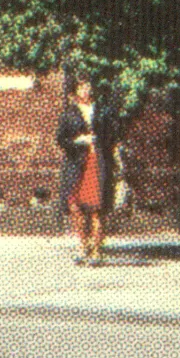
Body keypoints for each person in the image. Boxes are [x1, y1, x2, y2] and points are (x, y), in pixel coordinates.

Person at [56, 74, 117, 266]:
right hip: (77, 164)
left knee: (97, 208)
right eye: (82, 88)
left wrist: (102, 142)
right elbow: (61, 140)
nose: (86, 91)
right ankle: (83, 247)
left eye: (88, 87)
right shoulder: (69, 114)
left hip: (97, 162)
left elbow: (113, 135)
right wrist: (77, 142)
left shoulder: (103, 112)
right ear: (75, 92)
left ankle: (97, 250)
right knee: (76, 208)